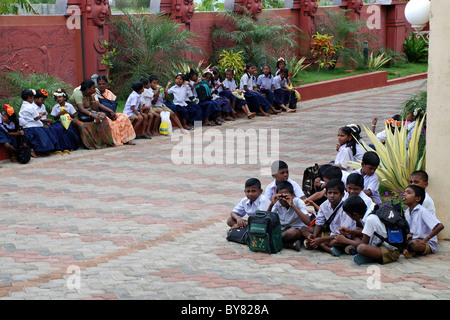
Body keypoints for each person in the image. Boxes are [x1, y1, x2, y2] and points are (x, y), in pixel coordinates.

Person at [301, 179, 354, 255]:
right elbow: (319, 223)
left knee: (335, 241)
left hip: (342, 237)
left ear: (342, 195)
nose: (332, 196)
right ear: (326, 194)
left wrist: (320, 240)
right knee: (303, 229)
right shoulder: (324, 205)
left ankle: (324, 247)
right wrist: (314, 236)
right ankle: (324, 246)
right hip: (330, 234)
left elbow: (343, 233)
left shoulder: (345, 208)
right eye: (329, 193)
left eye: (335, 193)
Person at [69, 79, 115, 150]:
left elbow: (94, 109)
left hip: (88, 113)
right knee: (82, 125)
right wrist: (94, 116)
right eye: (93, 88)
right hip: (76, 115)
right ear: (87, 89)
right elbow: (81, 109)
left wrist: (93, 98)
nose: (95, 89)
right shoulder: (78, 93)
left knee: (102, 115)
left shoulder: (89, 94)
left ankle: (104, 141)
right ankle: (90, 145)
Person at [402, 185, 444, 259]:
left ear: (417, 198)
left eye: (408, 193)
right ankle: (410, 250)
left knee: (413, 244)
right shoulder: (407, 212)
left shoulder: (422, 211)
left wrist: (425, 240)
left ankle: (412, 250)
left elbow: (440, 226)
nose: (404, 194)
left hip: (425, 243)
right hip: (414, 239)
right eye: (404, 192)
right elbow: (413, 229)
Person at [268, 181, 311, 251]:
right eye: (281, 196)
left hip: (296, 230)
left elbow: (308, 221)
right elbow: (268, 220)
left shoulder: (298, 202)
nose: (283, 199)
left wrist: (292, 205)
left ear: (293, 195)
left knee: (292, 232)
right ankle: (289, 245)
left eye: (286, 196)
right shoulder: (277, 203)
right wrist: (271, 205)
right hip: (282, 230)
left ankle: (273, 240)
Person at [95, 75, 137, 145]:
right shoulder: (95, 92)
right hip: (102, 113)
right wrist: (110, 111)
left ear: (107, 84)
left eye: (103, 84)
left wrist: (113, 113)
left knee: (124, 117)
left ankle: (126, 139)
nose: (101, 85)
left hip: (111, 113)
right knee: (112, 123)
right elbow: (98, 105)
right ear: (97, 84)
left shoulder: (109, 93)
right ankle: (115, 141)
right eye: (100, 84)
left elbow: (113, 105)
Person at [19, 89, 58, 155]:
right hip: (33, 126)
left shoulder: (23, 105)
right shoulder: (30, 106)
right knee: (44, 133)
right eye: (32, 97)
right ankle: (44, 150)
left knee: (46, 130)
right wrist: (42, 114)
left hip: (28, 126)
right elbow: (36, 118)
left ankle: (45, 150)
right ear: (29, 98)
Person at [49, 88, 79, 154]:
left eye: (60, 97)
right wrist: (59, 114)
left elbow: (74, 116)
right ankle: (59, 147)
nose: (58, 99)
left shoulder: (69, 106)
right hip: (59, 122)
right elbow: (54, 118)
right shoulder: (56, 107)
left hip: (68, 122)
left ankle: (69, 146)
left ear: (64, 97)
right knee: (55, 129)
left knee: (68, 130)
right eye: (56, 98)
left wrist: (68, 113)